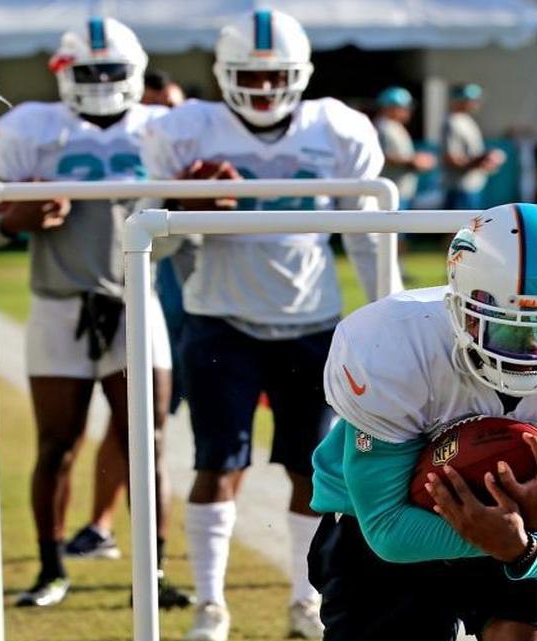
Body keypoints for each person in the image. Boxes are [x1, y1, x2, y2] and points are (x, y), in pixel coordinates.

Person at [308, 204, 537, 641]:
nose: (530, 349)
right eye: (506, 330)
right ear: (458, 308)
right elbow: (387, 527)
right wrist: (514, 535)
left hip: (535, 527)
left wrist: (528, 548)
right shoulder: (393, 346)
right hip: (383, 524)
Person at [141, 9, 391, 640]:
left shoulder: (337, 127)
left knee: (314, 470)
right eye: (248, 79)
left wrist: (386, 314)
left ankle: (306, 602)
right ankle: (210, 605)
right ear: (224, 76)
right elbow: (152, 243)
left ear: (300, 75)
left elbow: (366, 236)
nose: (260, 92)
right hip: (220, 317)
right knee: (217, 461)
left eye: (273, 77)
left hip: (313, 318)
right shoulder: (187, 130)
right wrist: (186, 206)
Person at [0, 17, 191, 609]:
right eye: (88, 71)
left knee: (146, 441)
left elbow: (193, 215)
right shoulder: (33, 127)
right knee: (57, 443)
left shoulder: (162, 128)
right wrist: (16, 220)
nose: (99, 81)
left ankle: (149, 575)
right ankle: (50, 570)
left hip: (133, 302)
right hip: (60, 304)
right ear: (64, 74)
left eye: (109, 70)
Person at [442, 83, 505, 210]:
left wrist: (486, 160)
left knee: (473, 228)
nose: (476, 103)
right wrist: (480, 160)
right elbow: (451, 159)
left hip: (473, 185)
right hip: (460, 188)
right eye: (472, 100)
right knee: (458, 228)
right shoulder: (453, 122)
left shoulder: (467, 120)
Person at [374, 86, 435, 210]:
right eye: (404, 107)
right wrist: (413, 161)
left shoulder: (394, 126)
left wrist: (417, 159)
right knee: (393, 228)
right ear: (391, 107)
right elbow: (381, 157)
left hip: (401, 190)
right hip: (391, 192)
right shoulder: (382, 127)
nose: (408, 111)